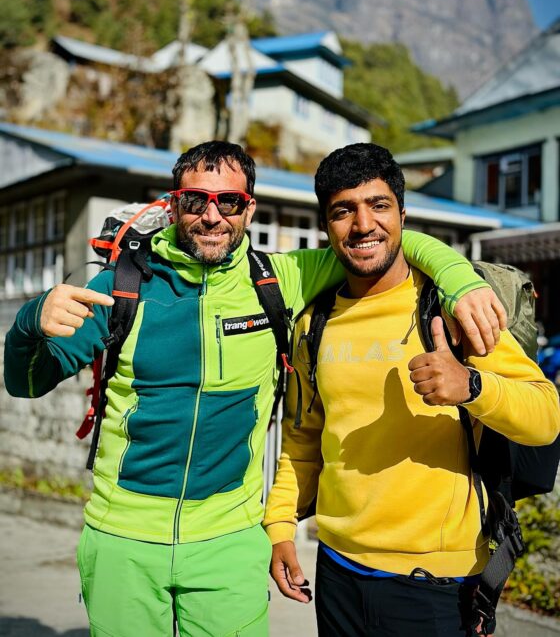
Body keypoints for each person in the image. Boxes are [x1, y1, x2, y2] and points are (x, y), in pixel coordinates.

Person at [4, 141, 506, 637]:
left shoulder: (280, 279)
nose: (212, 215)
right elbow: (25, 383)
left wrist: (460, 280)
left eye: (230, 201)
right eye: (196, 199)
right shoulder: (120, 288)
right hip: (122, 539)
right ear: (174, 204)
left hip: (230, 541)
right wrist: (30, 321)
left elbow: (387, 241)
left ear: (249, 208)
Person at [264, 143, 560, 637]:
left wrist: (470, 386)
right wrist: (280, 528)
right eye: (343, 211)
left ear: (403, 214)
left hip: (437, 581)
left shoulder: (449, 309)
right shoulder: (314, 321)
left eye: (378, 206)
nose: (363, 225)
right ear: (325, 225)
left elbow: (546, 415)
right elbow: (302, 441)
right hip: (338, 569)